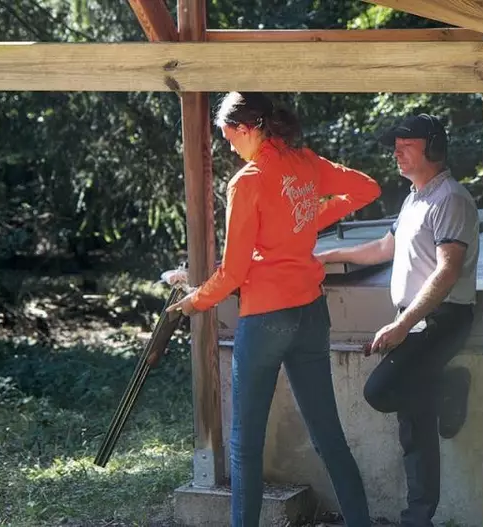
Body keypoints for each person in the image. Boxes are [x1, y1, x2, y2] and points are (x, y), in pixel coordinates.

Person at [167, 92, 380, 527]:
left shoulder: (247, 181)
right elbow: (367, 189)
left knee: (245, 444)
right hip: (310, 312)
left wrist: (193, 303)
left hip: (266, 319)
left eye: (228, 137)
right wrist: (307, 219)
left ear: (246, 129)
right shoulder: (304, 162)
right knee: (328, 435)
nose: (228, 146)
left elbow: (233, 273)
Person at [316, 114, 479, 527]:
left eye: (406, 144)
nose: (396, 151)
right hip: (416, 318)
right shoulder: (413, 198)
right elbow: (384, 248)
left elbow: (447, 271)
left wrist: (403, 325)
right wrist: (323, 258)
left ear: (434, 149)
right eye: (395, 144)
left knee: (381, 391)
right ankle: (417, 518)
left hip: (443, 318)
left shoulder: (451, 200)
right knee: (415, 425)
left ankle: (449, 384)